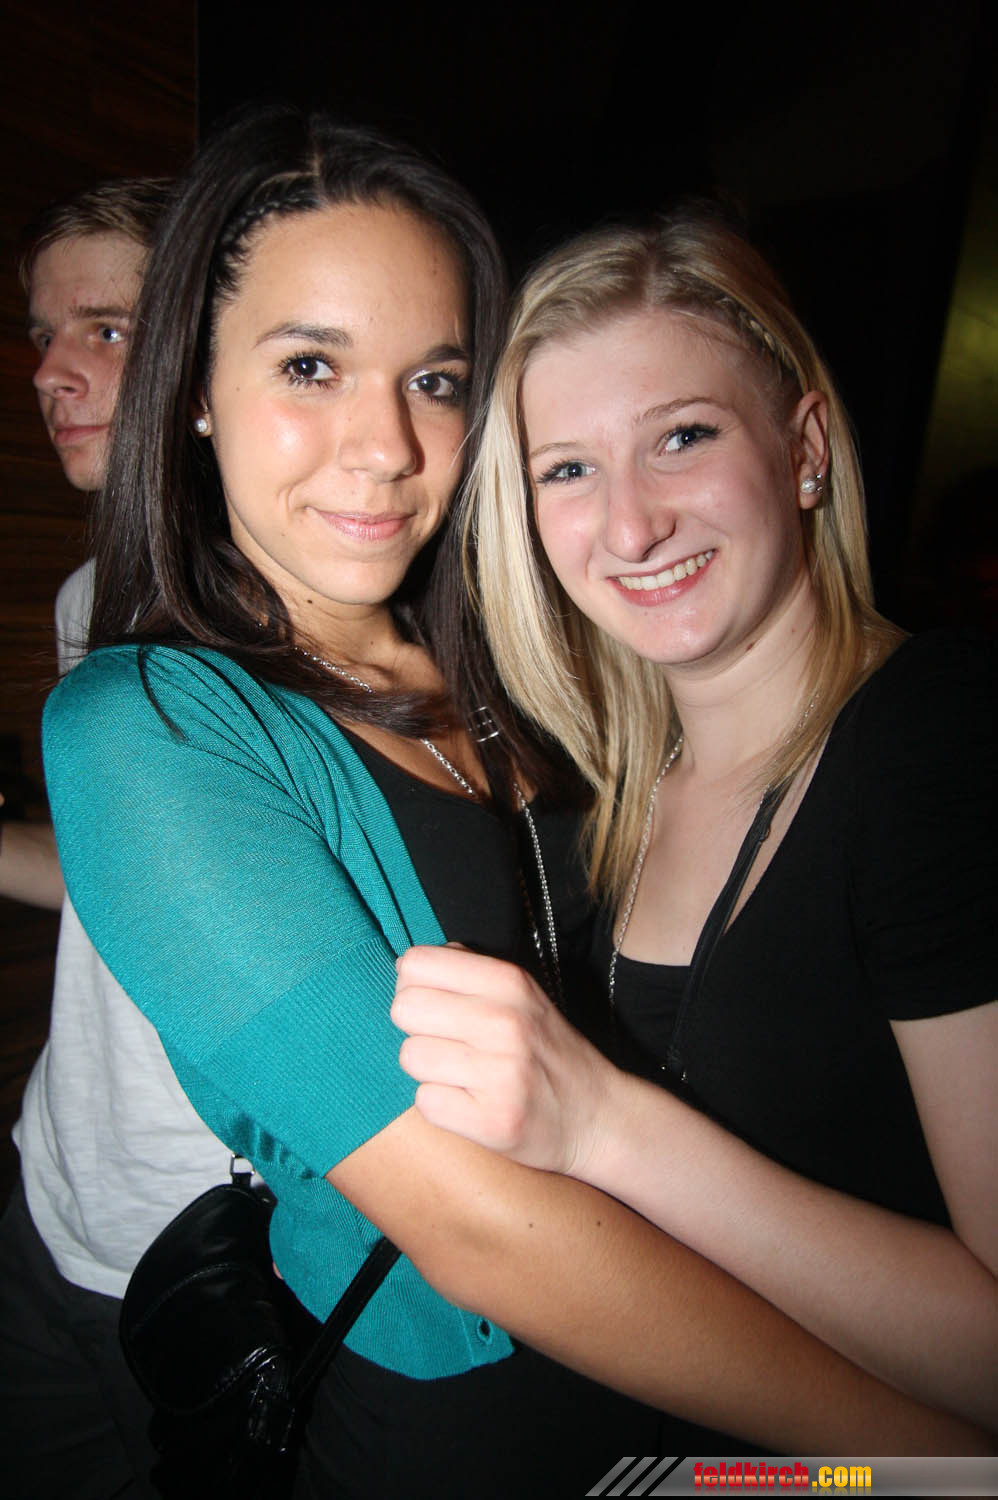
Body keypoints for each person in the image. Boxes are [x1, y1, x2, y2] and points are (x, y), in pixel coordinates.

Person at [41, 110, 987, 1500]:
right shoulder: (150, 726)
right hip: (470, 1446)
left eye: (433, 380)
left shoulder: (539, 672)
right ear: (192, 386)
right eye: (309, 365)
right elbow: (475, 1226)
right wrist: (929, 1463)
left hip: (706, 1437)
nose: (384, 446)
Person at [391, 210, 998, 1440]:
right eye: (566, 470)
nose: (630, 527)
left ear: (802, 450)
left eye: (680, 437)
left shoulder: (939, 742)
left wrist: (603, 1126)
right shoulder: (611, 787)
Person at [0, 177, 243, 1500]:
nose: (50, 371)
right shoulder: (88, 596)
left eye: (104, 328)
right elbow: (117, 886)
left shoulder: (300, 618)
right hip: (53, 1190)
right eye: (46, 335)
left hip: (211, 1246)